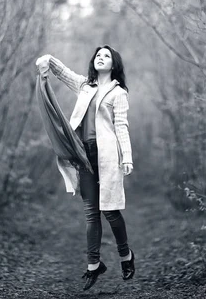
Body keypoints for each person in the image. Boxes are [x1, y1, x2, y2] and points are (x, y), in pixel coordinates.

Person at [35, 45, 135, 291]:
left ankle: (125, 255)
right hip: (84, 153)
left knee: (110, 210)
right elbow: (62, 72)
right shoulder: (84, 86)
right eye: (98, 55)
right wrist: (47, 59)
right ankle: (93, 264)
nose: (101, 58)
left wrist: (127, 157)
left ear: (114, 64)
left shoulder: (118, 92)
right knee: (91, 212)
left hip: (108, 155)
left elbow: (121, 126)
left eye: (106, 56)